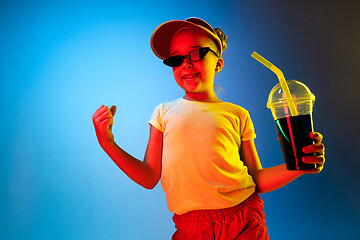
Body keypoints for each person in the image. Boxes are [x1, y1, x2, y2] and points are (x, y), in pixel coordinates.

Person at [92, 17, 325, 240]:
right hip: (189, 227)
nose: (186, 63)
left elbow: (257, 180)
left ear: (218, 63)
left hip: (243, 220)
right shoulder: (163, 113)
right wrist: (107, 143)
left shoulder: (237, 114)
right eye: (176, 59)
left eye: (196, 53)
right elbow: (149, 177)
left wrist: (297, 166)